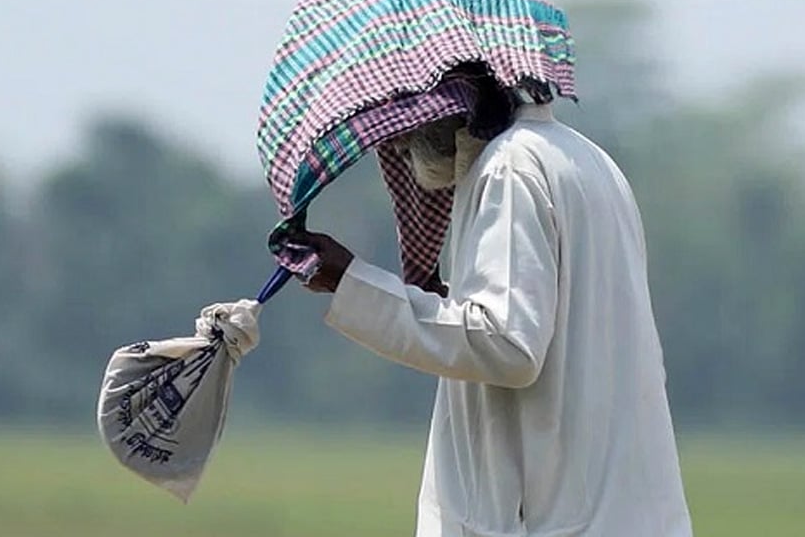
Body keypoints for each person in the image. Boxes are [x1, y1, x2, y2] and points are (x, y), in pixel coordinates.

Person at [293, 81, 694, 536]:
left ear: (460, 86)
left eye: (408, 103)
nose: (397, 137)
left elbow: (507, 343)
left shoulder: (509, 168)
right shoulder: (587, 160)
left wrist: (352, 284)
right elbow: (546, 331)